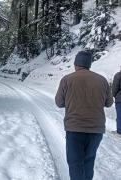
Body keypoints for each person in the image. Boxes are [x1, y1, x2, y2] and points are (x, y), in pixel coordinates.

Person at [55, 51, 113, 180]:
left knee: (75, 164)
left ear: (75, 64)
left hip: (74, 128)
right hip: (96, 130)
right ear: (89, 64)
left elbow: (59, 102)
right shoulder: (102, 80)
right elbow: (109, 103)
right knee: (88, 162)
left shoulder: (67, 79)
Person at [112, 67, 121, 134]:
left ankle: (119, 131)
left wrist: (114, 95)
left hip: (120, 99)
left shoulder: (118, 75)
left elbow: (115, 88)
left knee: (120, 116)